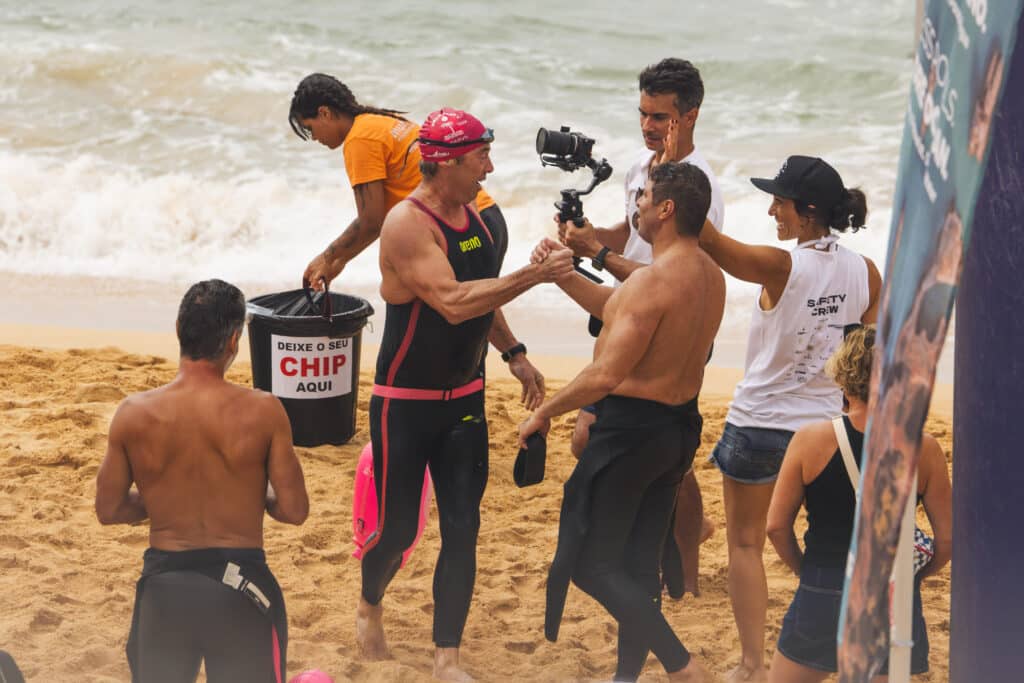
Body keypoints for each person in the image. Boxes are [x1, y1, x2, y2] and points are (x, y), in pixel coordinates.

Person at [356, 107, 574, 682]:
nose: (490, 169)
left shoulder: (475, 216)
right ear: (447, 162)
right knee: (398, 531)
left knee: (463, 525)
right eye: (481, 157)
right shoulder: (407, 225)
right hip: (405, 404)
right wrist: (536, 276)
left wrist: (514, 353)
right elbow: (452, 302)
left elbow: (482, 296)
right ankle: (370, 602)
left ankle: (446, 656)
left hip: (465, 401)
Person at [521, 161, 725, 683]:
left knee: (590, 564)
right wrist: (563, 275)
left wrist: (543, 410)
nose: (637, 205)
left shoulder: (653, 281)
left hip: (632, 436)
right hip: (677, 431)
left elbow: (606, 374)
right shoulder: (709, 275)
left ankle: (682, 666)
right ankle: (626, 678)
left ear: (667, 209)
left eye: (644, 197)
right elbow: (619, 308)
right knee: (638, 566)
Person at [698, 155, 882, 683]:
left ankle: (753, 665)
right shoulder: (865, 271)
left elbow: (707, 238)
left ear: (808, 211)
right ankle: (844, 651)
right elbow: (865, 359)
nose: (771, 210)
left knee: (746, 544)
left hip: (761, 425)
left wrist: (676, 160)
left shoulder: (780, 266)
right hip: (828, 433)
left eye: (780, 202)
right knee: (835, 547)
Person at [556, 57, 724, 597]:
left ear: (689, 116)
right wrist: (584, 235)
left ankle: (688, 556)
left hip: (672, 326)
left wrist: (598, 254)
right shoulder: (639, 170)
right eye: (643, 113)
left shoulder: (699, 187)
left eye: (660, 117)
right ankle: (678, 531)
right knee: (596, 439)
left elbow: (679, 281)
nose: (648, 126)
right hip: (626, 313)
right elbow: (631, 236)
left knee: (664, 451)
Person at [95, 279, 309, 683]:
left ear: (179, 329)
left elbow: (109, 509)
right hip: (240, 588)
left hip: (165, 589)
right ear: (233, 341)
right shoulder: (264, 411)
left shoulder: (133, 413)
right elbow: (294, 510)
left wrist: (162, 496)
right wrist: (253, 493)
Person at [288, 73, 544, 409]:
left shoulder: (359, 139)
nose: (314, 138)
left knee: (461, 314)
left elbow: (371, 220)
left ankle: (460, 403)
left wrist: (329, 258)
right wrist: (337, 260)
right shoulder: (382, 122)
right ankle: (492, 377)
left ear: (324, 112)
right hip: (483, 220)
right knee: (470, 310)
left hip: (455, 224)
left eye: (310, 128)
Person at [765, 325, 952, 682]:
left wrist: (806, 570)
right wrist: (917, 576)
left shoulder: (810, 440)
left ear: (844, 378)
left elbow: (775, 527)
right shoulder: (924, 449)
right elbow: (947, 540)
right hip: (891, 592)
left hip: (824, 582)